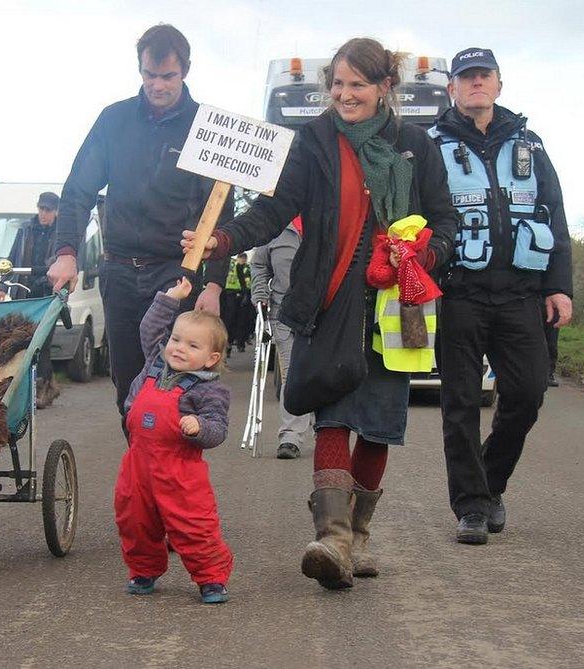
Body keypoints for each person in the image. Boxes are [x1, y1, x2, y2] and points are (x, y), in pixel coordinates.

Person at [183, 38, 456, 589]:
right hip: (327, 301)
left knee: (378, 424)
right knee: (332, 413)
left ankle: (356, 538)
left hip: (396, 304)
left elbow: (446, 224)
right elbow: (274, 209)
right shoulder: (312, 141)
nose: (344, 94)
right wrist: (223, 240)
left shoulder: (415, 146)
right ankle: (331, 538)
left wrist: (424, 255)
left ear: (384, 89)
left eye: (357, 85)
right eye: (337, 84)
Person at [48, 23, 231, 418]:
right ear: (140, 69)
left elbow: (219, 211)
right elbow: (78, 190)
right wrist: (66, 251)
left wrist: (214, 281)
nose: (158, 85)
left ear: (185, 71)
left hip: (175, 275)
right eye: (150, 75)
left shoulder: (206, 127)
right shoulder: (114, 120)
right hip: (118, 271)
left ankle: (169, 472)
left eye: (168, 76)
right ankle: (142, 465)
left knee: (175, 383)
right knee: (129, 385)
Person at [428, 48, 572, 544]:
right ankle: (470, 507)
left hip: (521, 294)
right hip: (460, 291)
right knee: (461, 403)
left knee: (529, 392)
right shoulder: (431, 145)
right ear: (452, 88)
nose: (475, 84)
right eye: (465, 78)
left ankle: (490, 483)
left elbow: (555, 215)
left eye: (483, 76)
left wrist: (559, 286)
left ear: (498, 84)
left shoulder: (530, 144)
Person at [114, 277, 233, 604]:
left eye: (192, 346)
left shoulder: (209, 390)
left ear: (211, 359)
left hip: (180, 472)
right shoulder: (156, 362)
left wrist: (199, 426)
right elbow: (150, 328)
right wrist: (170, 299)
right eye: (177, 340)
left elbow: (218, 428)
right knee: (134, 518)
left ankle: (211, 577)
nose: (179, 348)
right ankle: (143, 568)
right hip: (138, 462)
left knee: (194, 525)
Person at [251, 220, 313, 460]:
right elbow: (259, 264)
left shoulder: (323, 212)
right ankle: (291, 437)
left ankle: (325, 428)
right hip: (283, 312)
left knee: (320, 373)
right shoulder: (276, 221)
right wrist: (259, 292)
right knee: (292, 374)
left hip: (322, 312)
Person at [0, 191, 61, 408]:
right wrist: (1, 284)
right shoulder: (25, 230)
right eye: (41, 209)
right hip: (24, 292)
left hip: (49, 294)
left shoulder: (62, 234)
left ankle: (42, 388)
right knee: (26, 342)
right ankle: (43, 385)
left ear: (56, 211)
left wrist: (49, 282)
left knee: (42, 343)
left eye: (48, 210)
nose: (44, 214)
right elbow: (12, 256)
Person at [221, 253, 252, 354]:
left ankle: (228, 345)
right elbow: (242, 281)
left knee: (228, 321)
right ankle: (228, 344)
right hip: (229, 295)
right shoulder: (236, 265)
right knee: (231, 321)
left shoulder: (229, 264)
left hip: (228, 294)